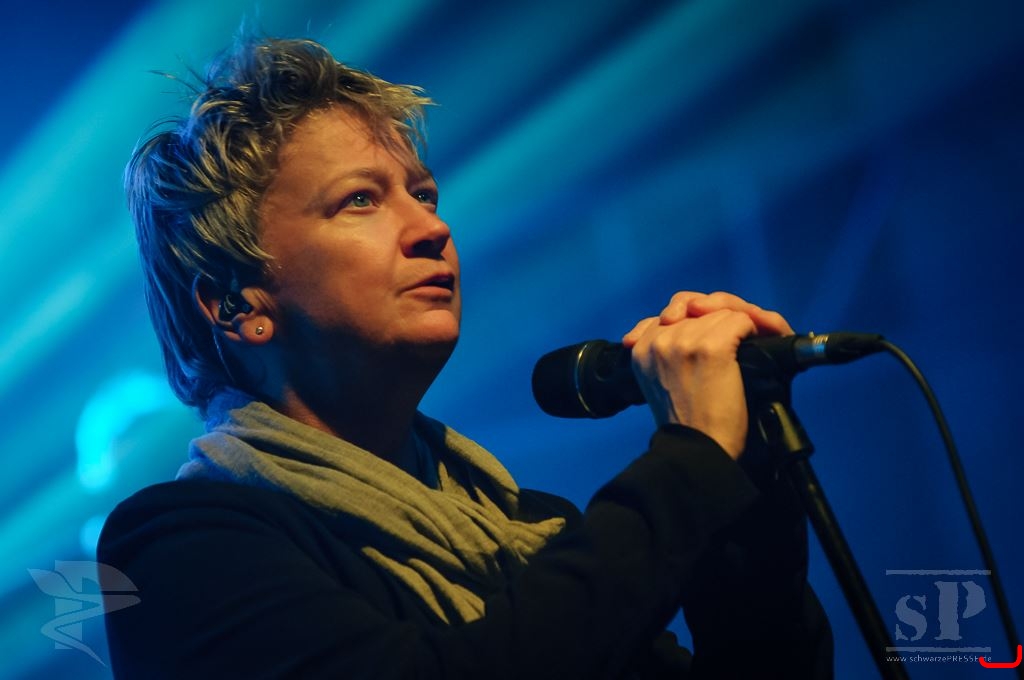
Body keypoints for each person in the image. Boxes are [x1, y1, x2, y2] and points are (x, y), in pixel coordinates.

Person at [99, 36, 833, 678]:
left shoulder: (531, 531)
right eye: (360, 201)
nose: (431, 228)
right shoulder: (178, 553)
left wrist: (744, 466)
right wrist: (690, 458)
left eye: (424, 195)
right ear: (237, 305)